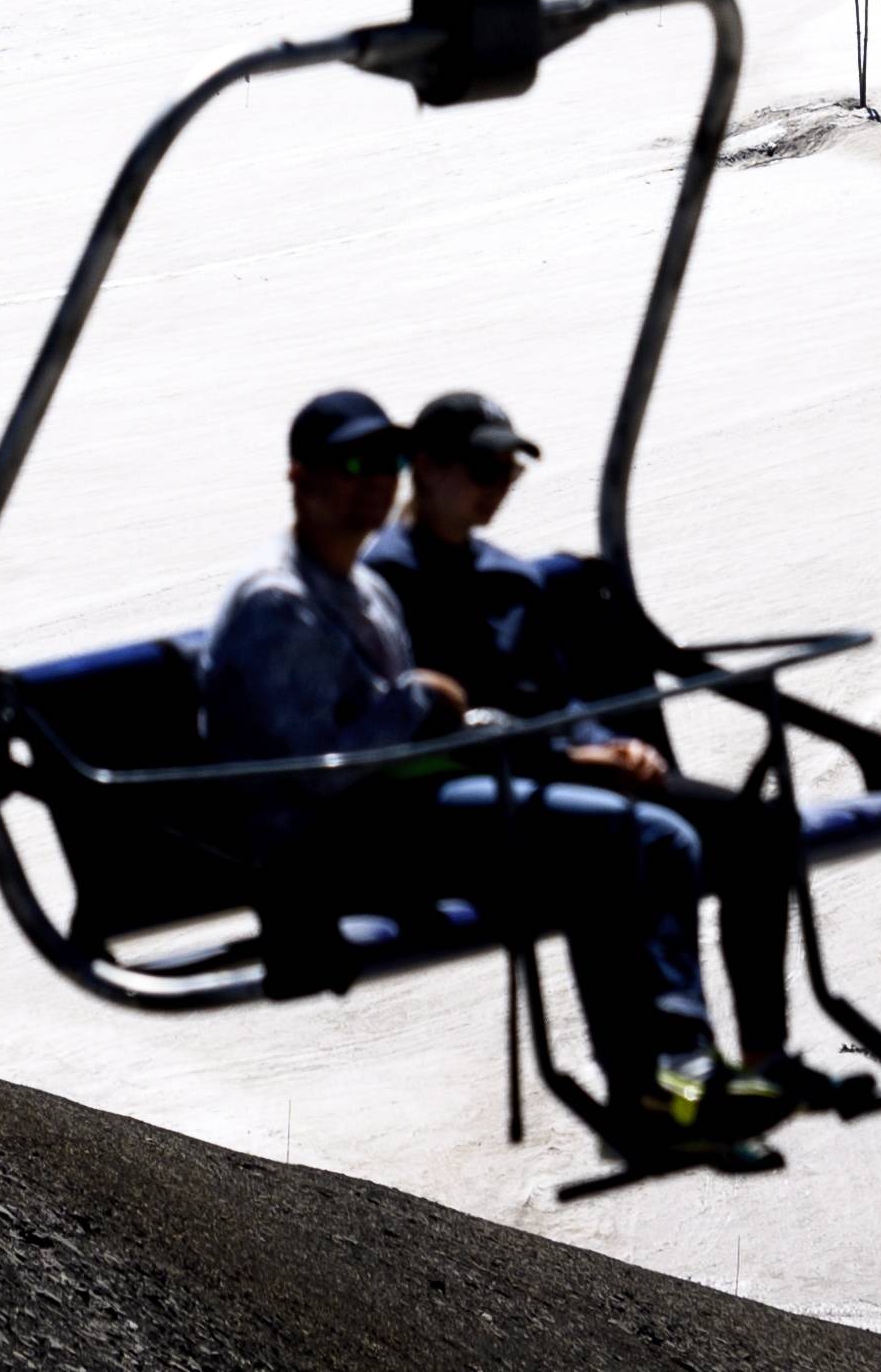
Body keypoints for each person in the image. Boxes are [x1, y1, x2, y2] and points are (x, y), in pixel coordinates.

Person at [199, 388, 783, 1167]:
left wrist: (479, 727)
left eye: (386, 461)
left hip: (401, 809)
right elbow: (311, 773)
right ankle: (677, 1076)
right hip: (339, 853)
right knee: (641, 840)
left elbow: (424, 729)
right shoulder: (283, 602)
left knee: (616, 845)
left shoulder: (358, 590)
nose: (374, 480)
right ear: (302, 478)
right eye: (353, 464)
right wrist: (430, 707)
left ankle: (669, 1089)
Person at [369, 389, 842, 1111]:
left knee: (758, 827)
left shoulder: (504, 575)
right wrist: (571, 758)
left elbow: (553, 701)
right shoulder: (386, 588)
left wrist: (607, 743)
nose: (498, 487)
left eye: (507, 473)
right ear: (425, 468)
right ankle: (671, 1073)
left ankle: (759, 1056)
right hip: (479, 795)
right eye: (483, 469)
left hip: (562, 769)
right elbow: (419, 726)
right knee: (646, 844)